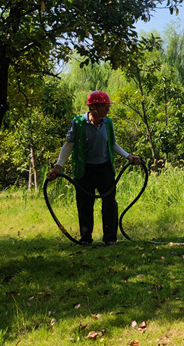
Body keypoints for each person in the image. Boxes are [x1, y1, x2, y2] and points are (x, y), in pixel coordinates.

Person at [47, 91, 142, 245]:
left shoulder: (108, 122)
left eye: (108, 106)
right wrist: (58, 166)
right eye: (104, 106)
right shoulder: (78, 123)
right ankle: (85, 239)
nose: (107, 109)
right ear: (93, 107)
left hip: (104, 169)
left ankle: (110, 238)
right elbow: (68, 145)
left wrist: (128, 156)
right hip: (84, 170)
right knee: (85, 204)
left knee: (110, 203)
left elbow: (112, 143)